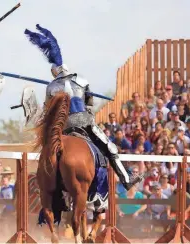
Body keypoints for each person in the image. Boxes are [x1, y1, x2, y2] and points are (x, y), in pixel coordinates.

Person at [24, 24, 143, 191]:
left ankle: (42, 184)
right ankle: (126, 178)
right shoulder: (81, 80)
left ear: (54, 73)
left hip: (64, 126)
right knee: (110, 147)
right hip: (85, 122)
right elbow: (89, 103)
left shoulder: (51, 87)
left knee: (48, 151)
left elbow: (48, 112)